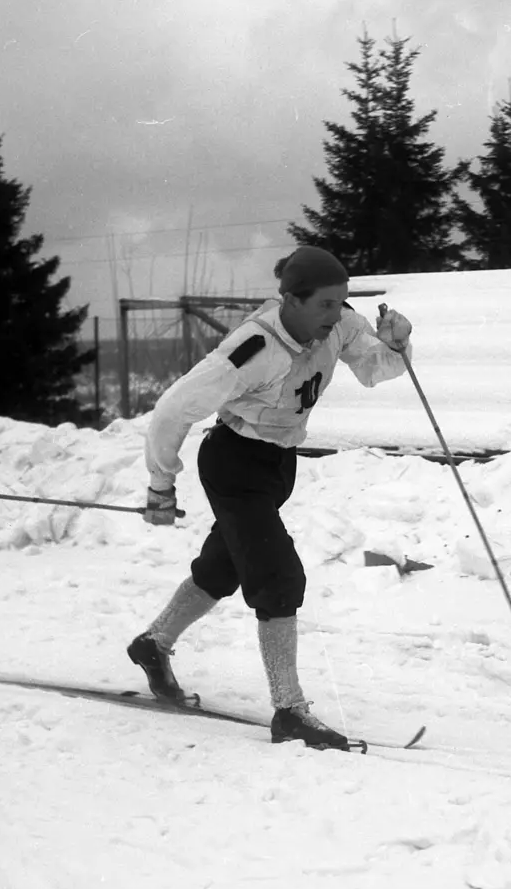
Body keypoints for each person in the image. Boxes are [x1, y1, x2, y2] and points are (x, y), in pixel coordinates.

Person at [127, 245, 412, 751]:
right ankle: (289, 710)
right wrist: (160, 483)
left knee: (225, 565)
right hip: (233, 463)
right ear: (291, 301)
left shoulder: (340, 322)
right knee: (279, 577)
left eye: (342, 302)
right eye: (325, 304)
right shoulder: (253, 348)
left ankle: (153, 643)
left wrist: (396, 345)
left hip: (277, 466)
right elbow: (173, 408)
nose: (337, 314)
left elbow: (373, 368)